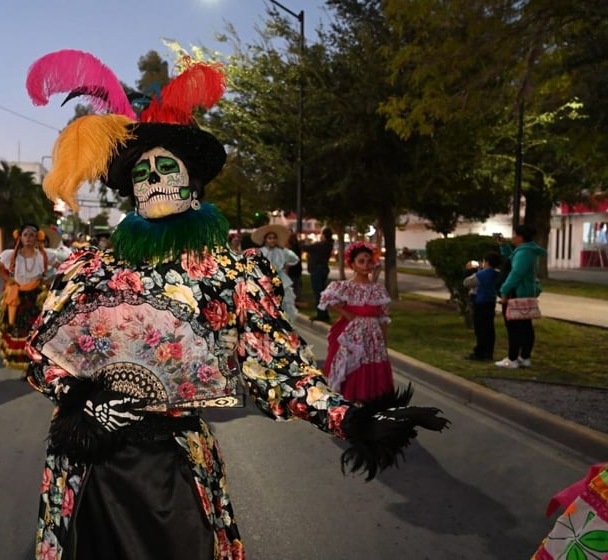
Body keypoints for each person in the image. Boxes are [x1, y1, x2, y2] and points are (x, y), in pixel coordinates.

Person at [22, 49, 448, 560]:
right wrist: (77, 400)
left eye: (166, 165)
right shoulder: (90, 268)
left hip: (173, 464)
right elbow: (43, 352)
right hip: (87, 463)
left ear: (194, 186)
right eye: (142, 171)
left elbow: (280, 372)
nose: (154, 176)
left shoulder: (231, 275)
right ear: (131, 192)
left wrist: (352, 420)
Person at [318, 241, 394, 402]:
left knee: (371, 361)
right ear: (352, 265)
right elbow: (327, 300)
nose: (366, 265)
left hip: (373, 335)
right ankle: (349, 398)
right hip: (351, 332)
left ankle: (371, 399)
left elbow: (383, 317)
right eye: (361, 261)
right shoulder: (345, 286)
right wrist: (346, 314)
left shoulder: (378, 290)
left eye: (369, 261)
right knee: (351, 361)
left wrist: (384, 340)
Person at [0, 223, 59, 372]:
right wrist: (9, 281)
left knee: (37, 330)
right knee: (19, 330)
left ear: (37, 238)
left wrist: (48, 280)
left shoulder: (44, 256)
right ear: (20, 238)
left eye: (32, 235)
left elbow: (63, 268)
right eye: (25, 235)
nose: (28, 238)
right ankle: (25, 365)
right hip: (18, 298)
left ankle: (36, 363)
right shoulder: (12, 255)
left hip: (38, 297)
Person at [496, 224, 546, 369]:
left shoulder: (524, 252)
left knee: (515, 328)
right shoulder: (525, 250)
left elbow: (516, 273)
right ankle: (524, 357)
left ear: (520, 237)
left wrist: (504, 290)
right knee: (525, 327)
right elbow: (512, 260)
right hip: (524, 292)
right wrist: (504, 247)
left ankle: (513, 359)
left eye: (514, 235)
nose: (512, 237)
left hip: (517, 293)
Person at [251, 224, 300, 321]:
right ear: (265, 239)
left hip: (280, 279)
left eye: (274, 238)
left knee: (284, 302)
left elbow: (295, 259)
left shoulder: (282, 251)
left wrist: (287, 265)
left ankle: (283, 323)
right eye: (269, 238)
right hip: (264, 279)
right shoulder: (260, 251)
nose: (272, 240)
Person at [463, 252, 502, 361]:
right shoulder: (497, 273)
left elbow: (467, 283)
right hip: (491, 302)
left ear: (487, 262)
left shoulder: (483, 274)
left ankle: (479, 352)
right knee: (489, 328)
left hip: (480, 302)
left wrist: (470, 271)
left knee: (480, 328)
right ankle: (489, 353)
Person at [302, 227, 334, 323]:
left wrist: (301, 242)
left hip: (318, 270)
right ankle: (323, 313)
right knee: (321, 292)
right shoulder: (328, 245)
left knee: (318, 293)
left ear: (324, 235)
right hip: (322, 269)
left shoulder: (321, 245)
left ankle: (322, 314)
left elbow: (307, 248)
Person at [286, 230, 303, 304]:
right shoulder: (297, 247)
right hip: (297, 270)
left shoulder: (291, 249)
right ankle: (297, 301)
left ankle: (293, 302)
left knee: (292, 287)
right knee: (297, 287)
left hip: (292, 271)